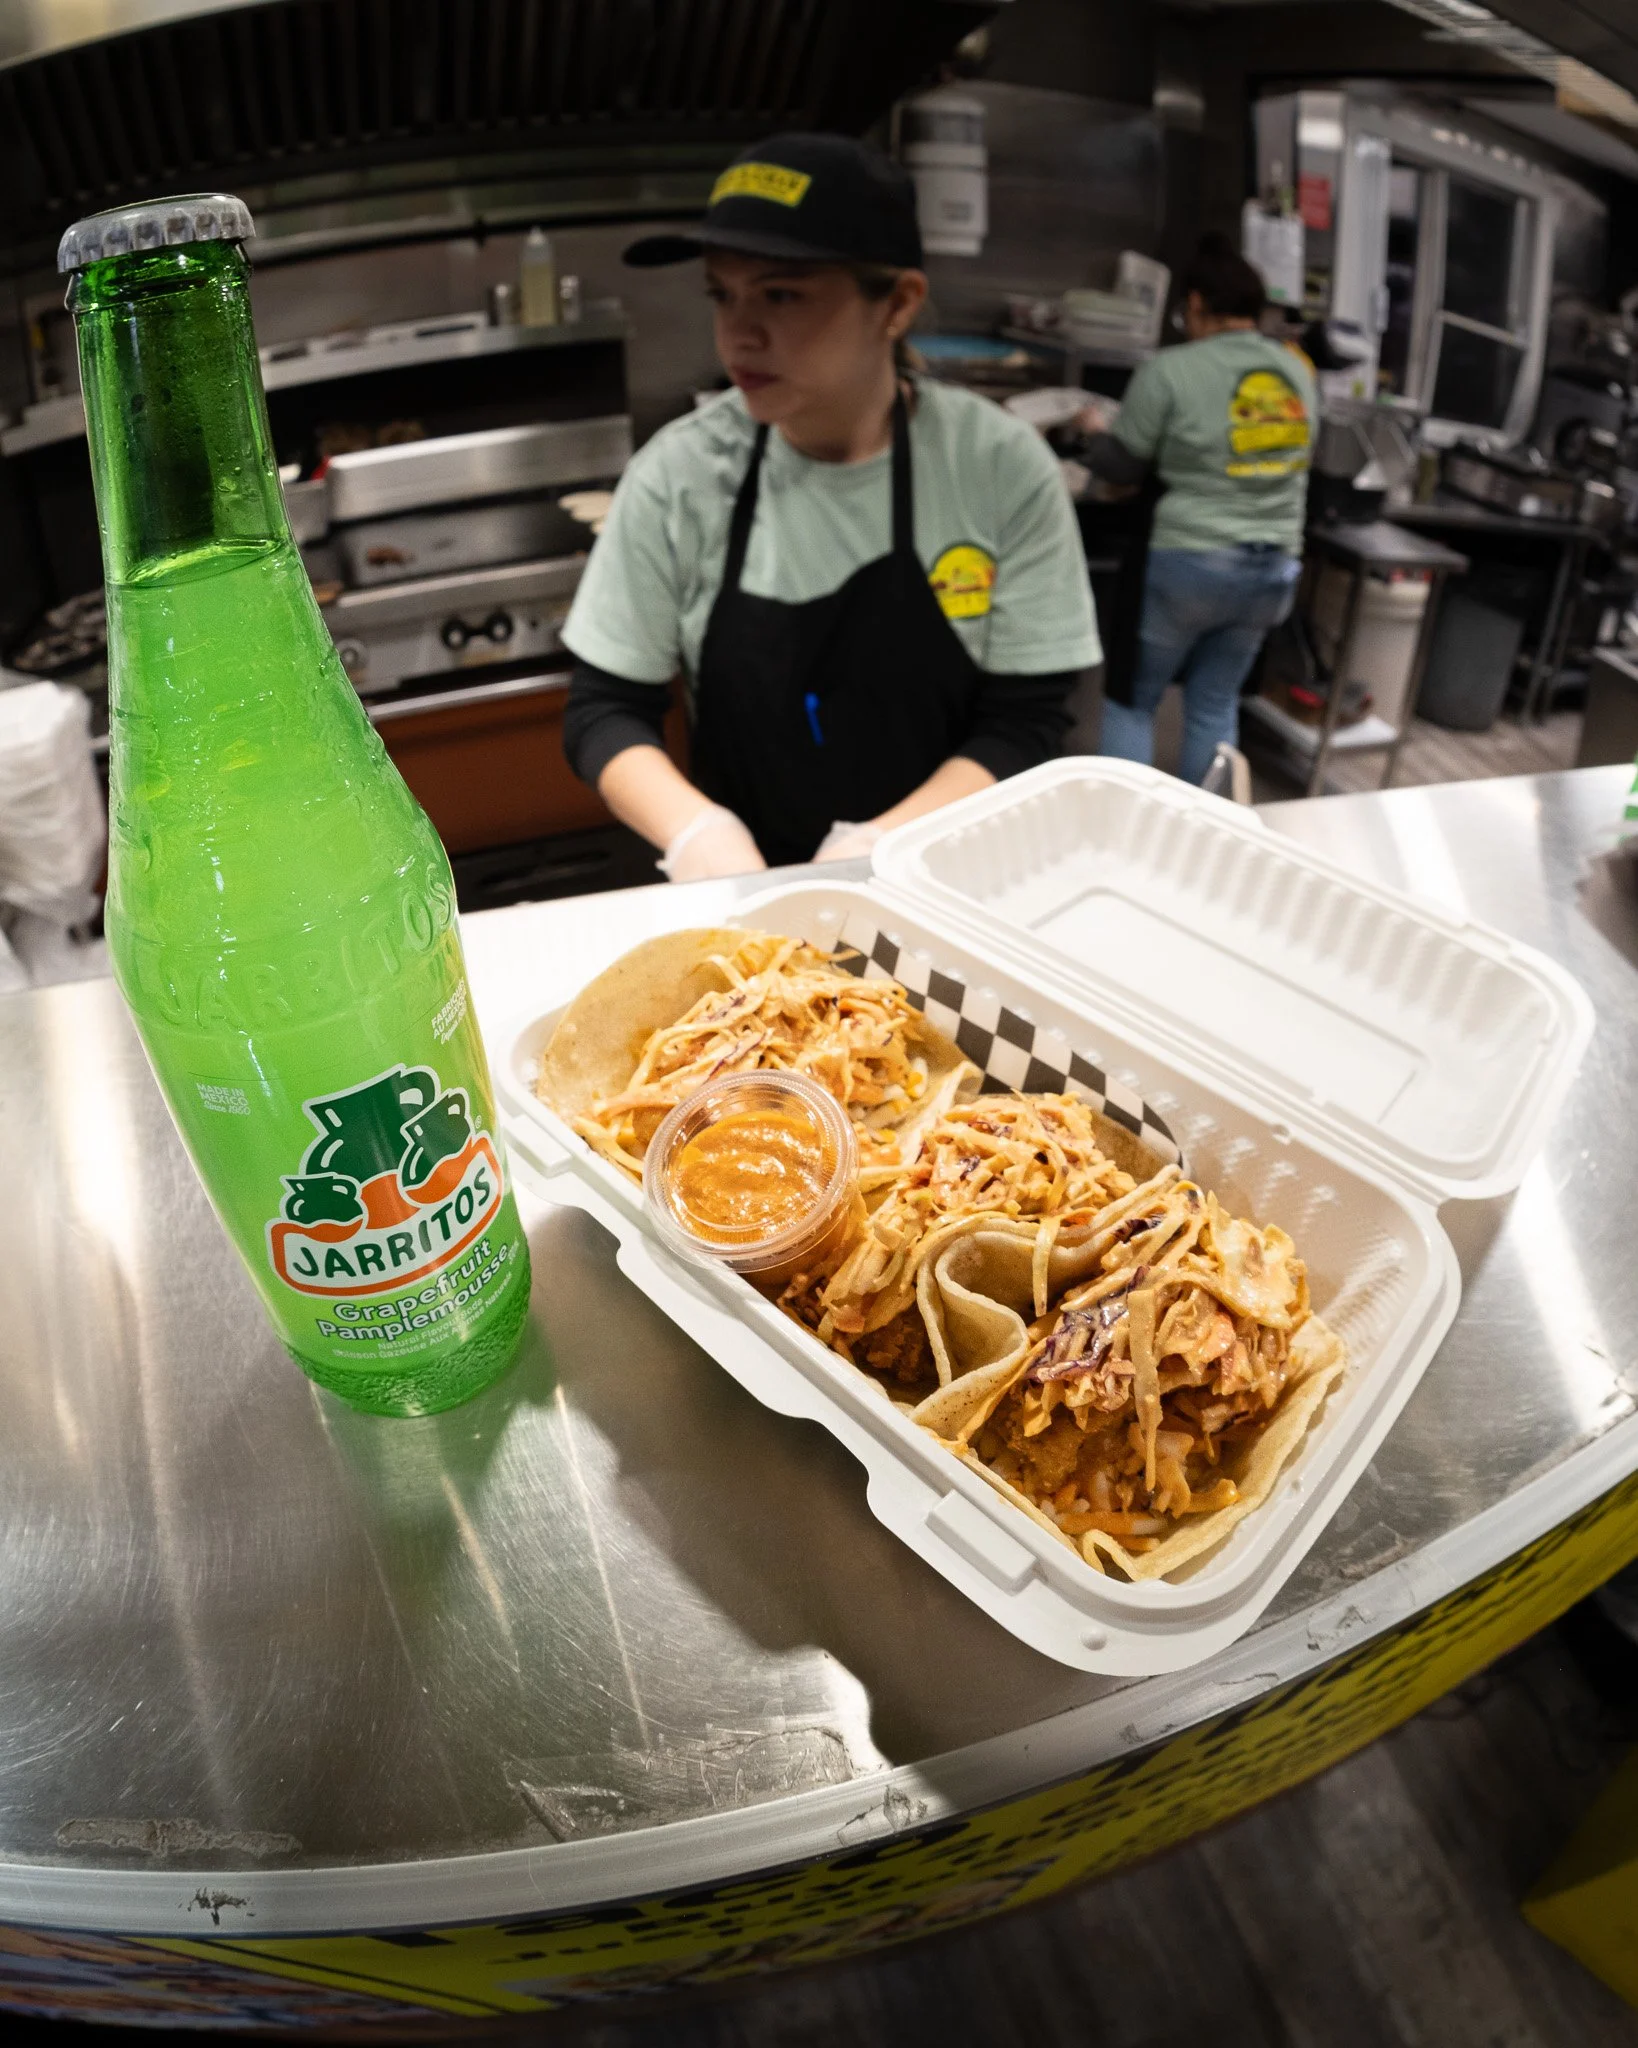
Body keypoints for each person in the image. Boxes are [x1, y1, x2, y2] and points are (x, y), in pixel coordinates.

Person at [559, 132, 1102, 879]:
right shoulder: (678, 476)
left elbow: (1027, 721)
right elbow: (604, 708)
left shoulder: (999, 468)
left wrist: (878, 849)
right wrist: (697, 836)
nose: (738, 334)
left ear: (899, 304)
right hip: (750, 899)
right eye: (723, 294)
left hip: (954, 878)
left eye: (782, 294)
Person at [1087, 232, 1316, 786]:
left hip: (1189, 563)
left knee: (1133, 702)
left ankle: (1122, 835)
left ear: (1193, 304)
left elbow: (1122, 466)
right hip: (1274, 568)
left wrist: (1091, 430)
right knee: (1214, 704)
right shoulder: (1296, 371)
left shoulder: (1169, 370)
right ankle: (1207, 835)